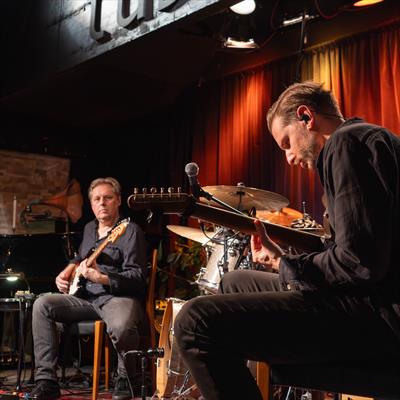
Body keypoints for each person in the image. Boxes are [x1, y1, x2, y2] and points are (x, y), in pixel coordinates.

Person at [174, 81, 400, 399]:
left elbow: (359, 263)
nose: (289, 158)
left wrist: (286, 265)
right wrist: (282, 260)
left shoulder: (346, 144)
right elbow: (359, 248)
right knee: (235, 281)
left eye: (286, 143)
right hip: (371, 300)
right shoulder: (368, 140)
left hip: (379, 317)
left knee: (194, 322)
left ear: (306, 116)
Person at [30, 177, 147, 400]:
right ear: (91, 204)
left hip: (116, 297)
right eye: (97, 199)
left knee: (122, 325)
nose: (102, 203)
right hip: (86, 297)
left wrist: (102, 278)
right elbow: (81, 257)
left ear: (118, 200)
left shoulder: (130, 230)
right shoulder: (89, 228)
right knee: (42, 305)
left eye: (108, 198)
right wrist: (68, 270)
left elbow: (137, 277)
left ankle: (126, 379)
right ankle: (46, 381)